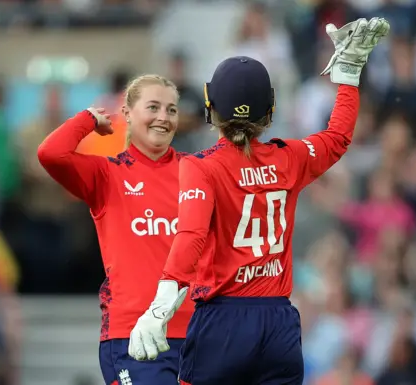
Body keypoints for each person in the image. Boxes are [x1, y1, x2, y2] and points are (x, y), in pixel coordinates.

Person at [128, 17, 390, 385]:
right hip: (279, 323)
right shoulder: (290, 158)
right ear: (269, 110)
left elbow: (191, 236)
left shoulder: (201, 168)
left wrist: (159, 307)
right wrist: (347, 75)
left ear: (211, 107)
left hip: (223, 320)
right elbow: (338, 136)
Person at [37, 74, 195, 385]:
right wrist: (88, 119)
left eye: (171, 110)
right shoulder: (107, 174)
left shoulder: (198, 171)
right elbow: (50, 154)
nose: (163, 117)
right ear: (127, 114)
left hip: (197, 333)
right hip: (132, 336)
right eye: (153, 107)